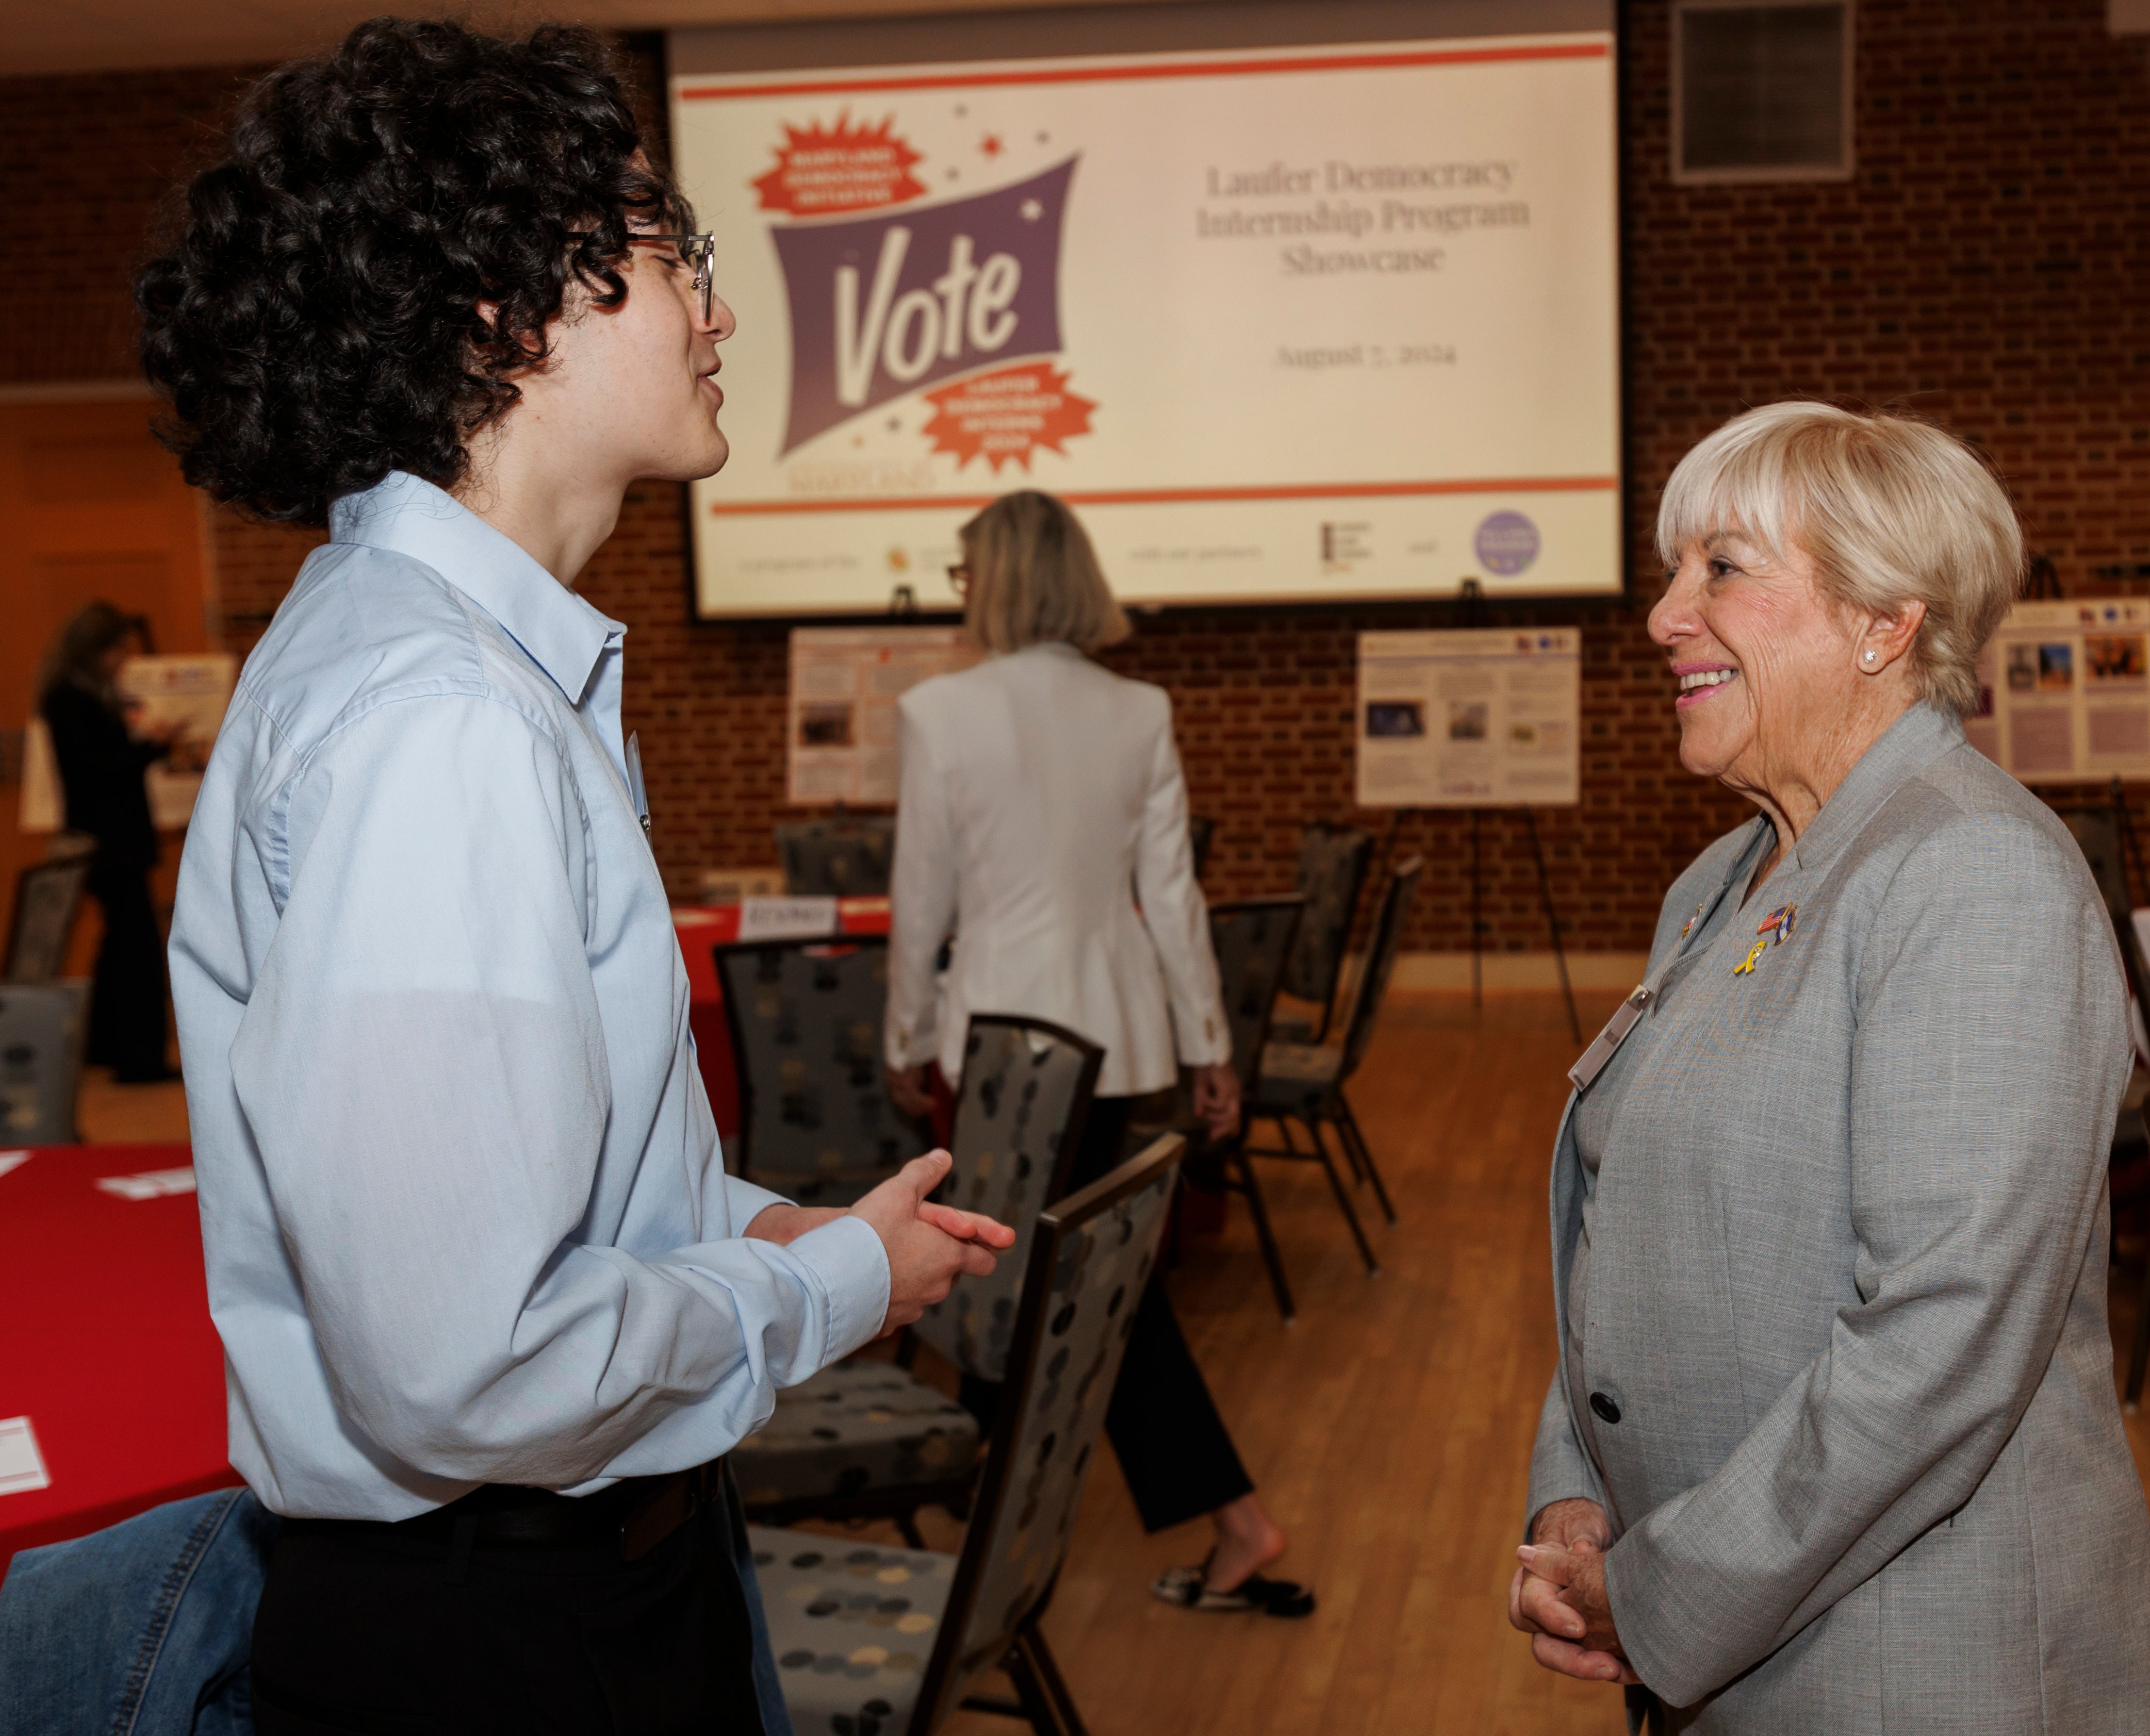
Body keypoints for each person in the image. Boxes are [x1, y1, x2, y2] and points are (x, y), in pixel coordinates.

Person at [138, 21, 1013, 1733]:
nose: (718, 308)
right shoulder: (441, 715)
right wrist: (835, 1281)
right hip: (507, 1631)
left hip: (546, 1583)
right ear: (495, 306)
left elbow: (548, 1187)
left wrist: (767, 1222)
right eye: (671, 254)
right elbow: (469, 1360)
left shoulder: (458, 665)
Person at [1509, 402, 2150, 1730]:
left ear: (1885, 625)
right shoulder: (1717, 879)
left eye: (1722, 569)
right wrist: (1571, 1488)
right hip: (1746, 1630)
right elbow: (1625, 1217)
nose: (1661, 616)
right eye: (1671, 568)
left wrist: (1661, 1595)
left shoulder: (1974, 875)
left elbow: (1941, 1340)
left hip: (1904, 1658)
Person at [885, 488, 1312, 1618]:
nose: (959, 590)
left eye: (965, 569)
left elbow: (919, 905)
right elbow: (1170, 898)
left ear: (1006, 578)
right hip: (1121, 1046)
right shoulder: (1138, 709)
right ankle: (992, 1500)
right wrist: (1208, 1045)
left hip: (1005, 1056)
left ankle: (1228, 1521)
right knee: (1064, 1284)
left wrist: (903, 1037)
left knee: (1058, 1289)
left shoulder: (940, 712)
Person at [35, 602, 185, 1082]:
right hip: (108, 843)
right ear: (95, 650)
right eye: (118, 649)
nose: (124, 660)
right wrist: (151, 747)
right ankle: (137, 1059)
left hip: (113, 841)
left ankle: (104, 1045)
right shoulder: (70, 699)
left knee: (118, 946)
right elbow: (99, 770)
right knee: (135, 950)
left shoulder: (83, 696)